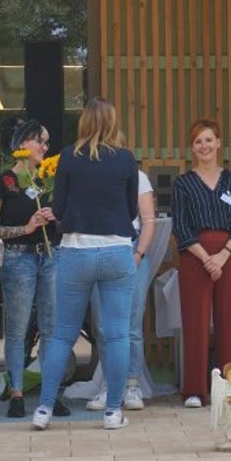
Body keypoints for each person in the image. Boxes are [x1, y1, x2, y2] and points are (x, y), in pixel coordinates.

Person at [31, 98, 139, 431]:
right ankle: (112, 412)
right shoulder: (125, 158)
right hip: (117, 251)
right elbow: (132, 209)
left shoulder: (68, 157)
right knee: (118, 335)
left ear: (84, 123)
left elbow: (58, 207)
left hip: (76, 251)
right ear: (112, 122)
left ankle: (44, 409)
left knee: (63, 335)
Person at [0, 119, 69, 419]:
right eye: (40, 141)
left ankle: (49, 392)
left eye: (46, 142)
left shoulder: (51, 178)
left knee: (52, 329)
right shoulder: (3, 181)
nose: (45, 147)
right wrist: (26, 227)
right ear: (22, 144)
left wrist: (55, 216)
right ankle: (16, 392)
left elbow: (69, 219)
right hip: (19, 257)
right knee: (17, 328)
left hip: (52, 255)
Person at [172, 119, 231, 409]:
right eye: (198, 142)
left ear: (219, 142)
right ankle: (195, 389)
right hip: (195, 257)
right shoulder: (183, 184)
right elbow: (180, 227)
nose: (204, 146)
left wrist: (223, 255)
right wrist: (206, 258)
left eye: (208, 140)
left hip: (229, 255)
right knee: (195, 322)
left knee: (230, 322)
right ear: (192, 148)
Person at [87, 159, 156, 412]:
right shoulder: (89, 175)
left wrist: (138, 254)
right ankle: (108, 384)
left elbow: (148, 220)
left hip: (130, 247)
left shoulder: (138, 176)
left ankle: (131, 384)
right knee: (103, 325)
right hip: (96, 247)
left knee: (131, 323)